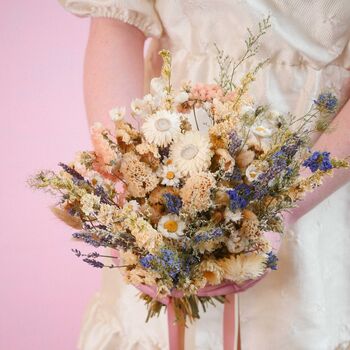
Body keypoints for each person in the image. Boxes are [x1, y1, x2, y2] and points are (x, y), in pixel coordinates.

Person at [59, 1, 350, 349]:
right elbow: (117, 22)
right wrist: (130, 182)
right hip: (165, 147)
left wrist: (283, 206)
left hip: (313, 163)